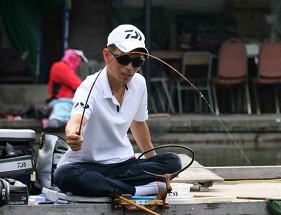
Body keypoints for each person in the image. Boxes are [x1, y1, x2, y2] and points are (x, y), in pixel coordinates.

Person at [53, 24, 182, 197]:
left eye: (137, 61)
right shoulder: (89, 86)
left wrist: (154, 165)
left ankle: (113, 187)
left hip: (124, 164)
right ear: (107, 55)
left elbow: (138, 124)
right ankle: (137, 190)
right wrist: (73, 135)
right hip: (89, 166)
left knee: (173, 161)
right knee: (65, 176)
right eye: (124, 59)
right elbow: (77, 119)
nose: (130, 67)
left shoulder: (139, 83)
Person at [46, 48, 88, 129]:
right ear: (72, 57)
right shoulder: (60, 66)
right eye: (79, 60)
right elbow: (79, 86)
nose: (79, 64)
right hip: (61, 102)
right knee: (56, 121)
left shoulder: (68, 69)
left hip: (71, 103)